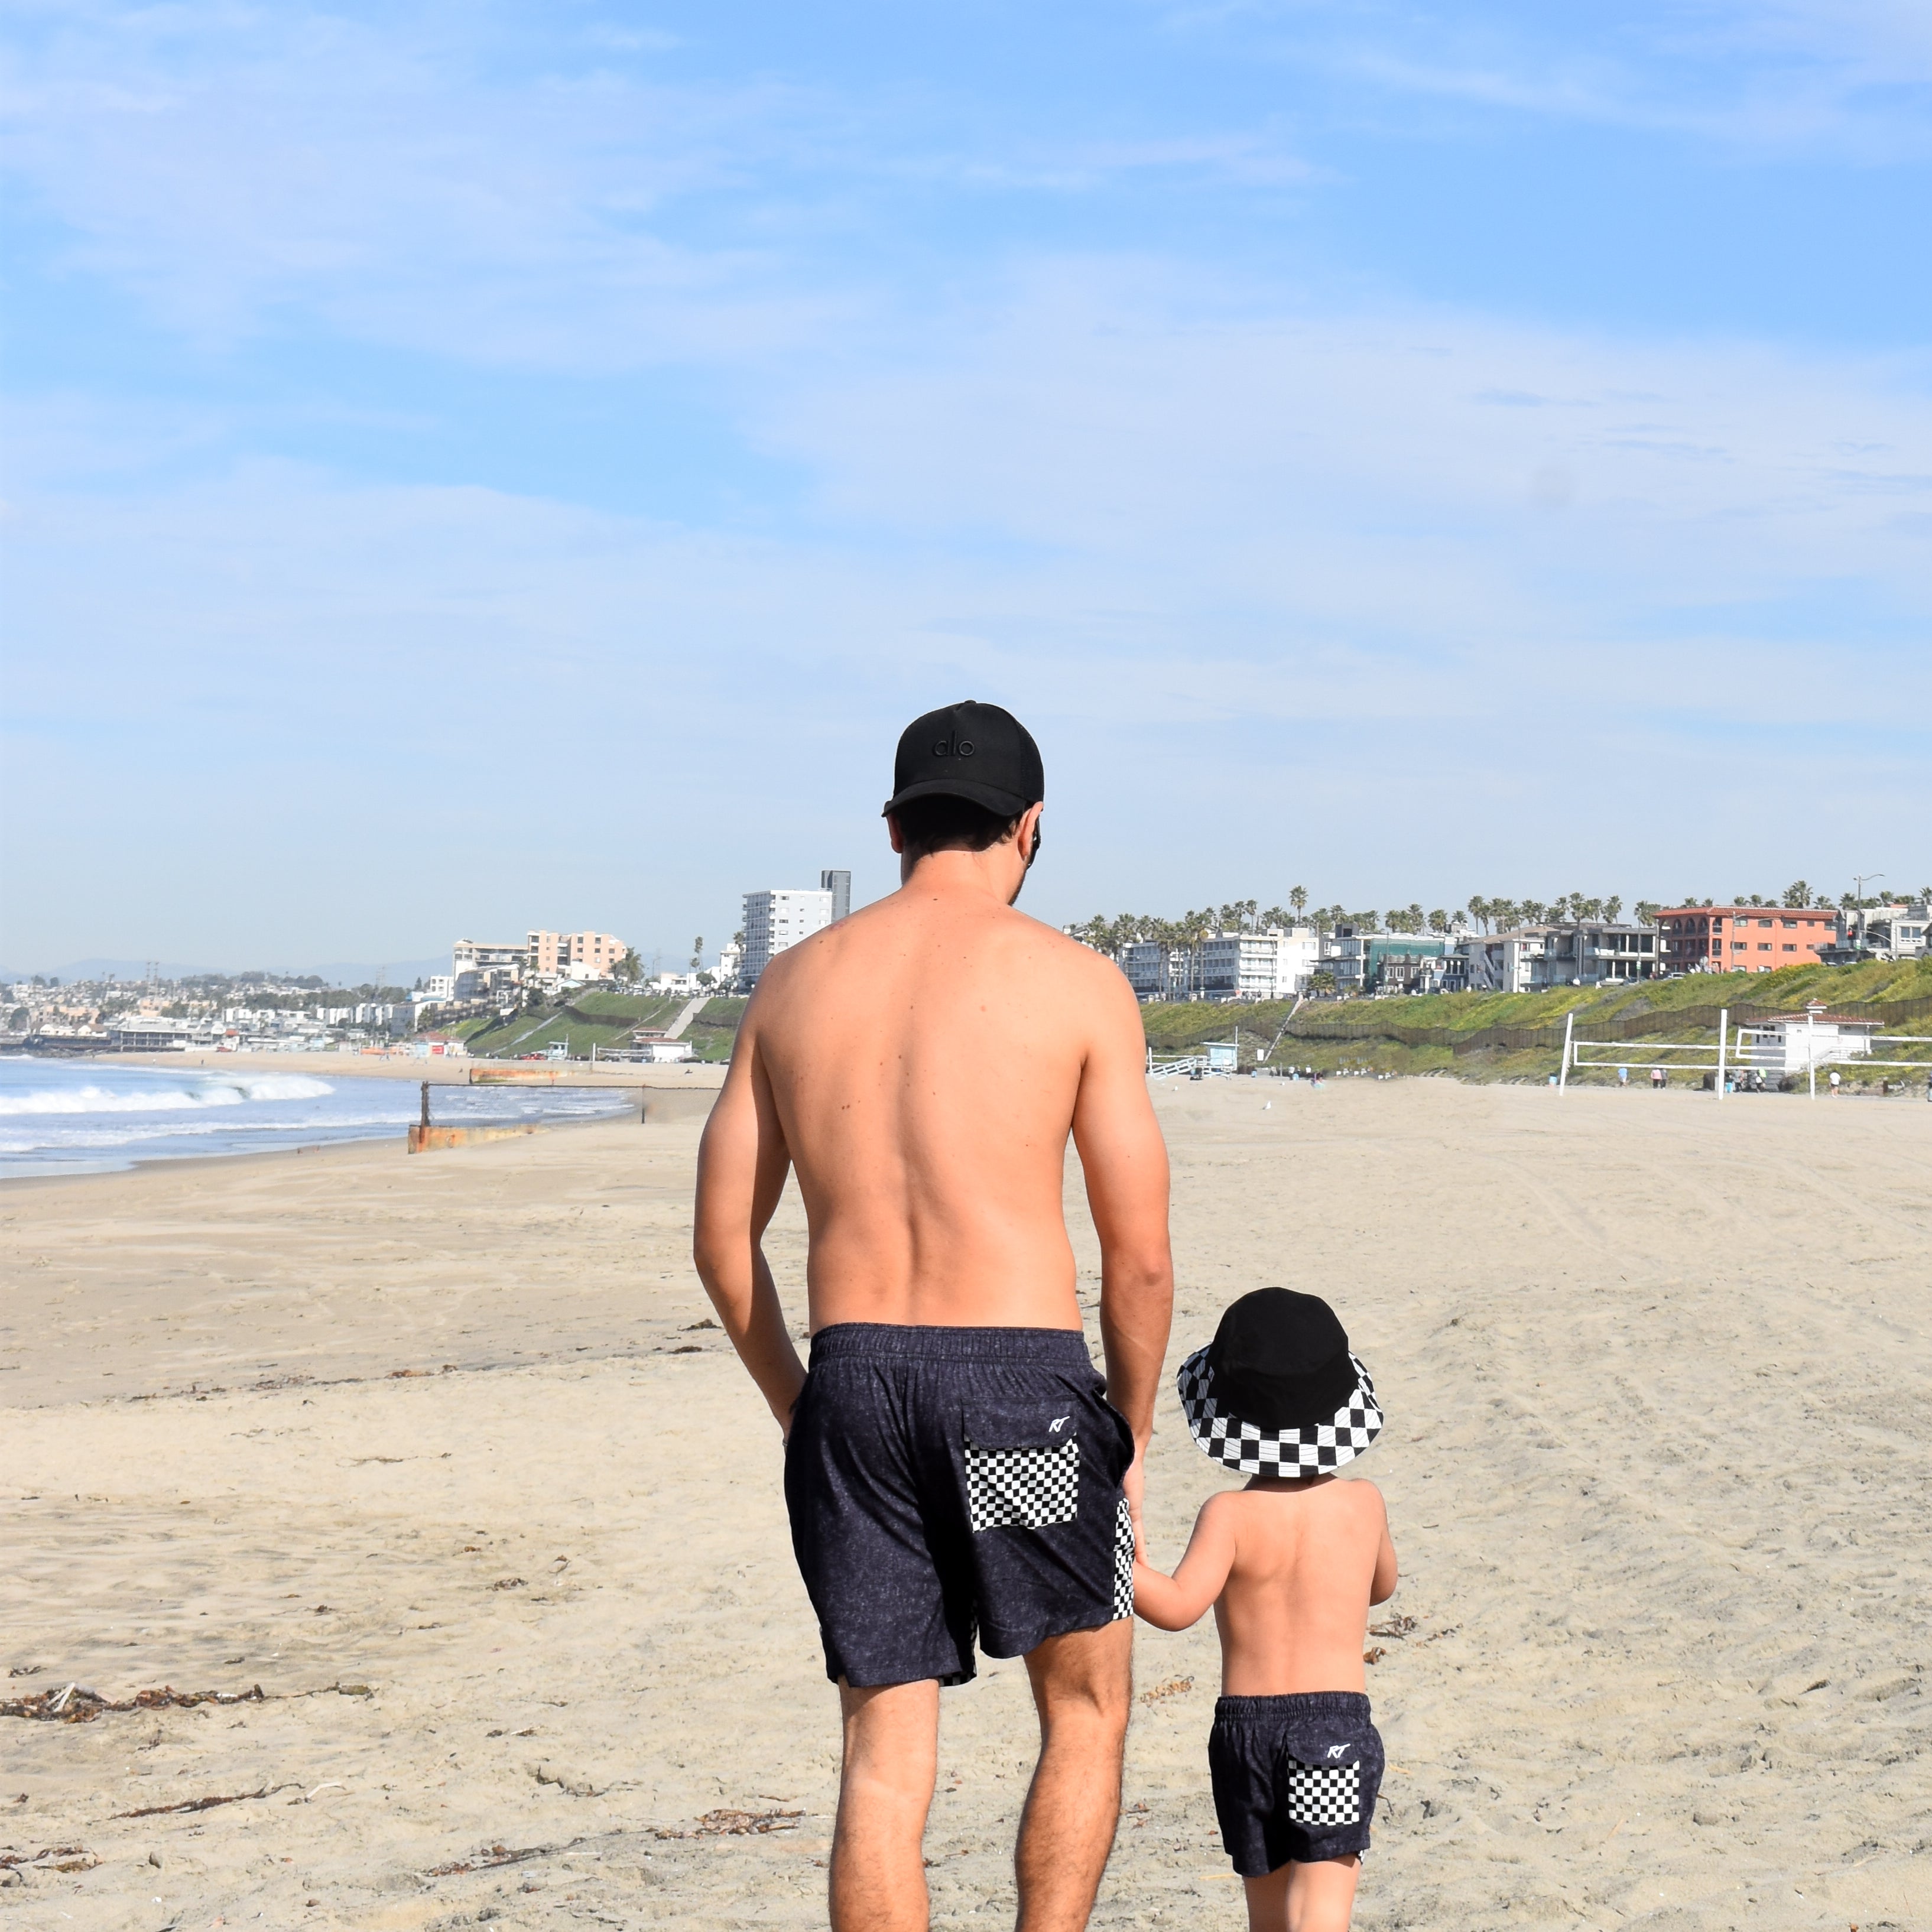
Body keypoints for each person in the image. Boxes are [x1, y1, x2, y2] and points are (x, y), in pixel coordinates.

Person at [694, 700, 1175, 1932]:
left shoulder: (794, 984)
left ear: (895, 825)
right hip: (1019, 1389)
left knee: (882, 1751)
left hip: (854, 1385)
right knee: (1081, 1703)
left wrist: (800, 1401)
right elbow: (1138, 1262)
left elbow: (720, 1240)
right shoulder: (1074, 982)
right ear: (1028, 828)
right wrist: (1119, 1428)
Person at [1132, 1290, 1397, 1932]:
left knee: (1270, 1917)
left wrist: (1121, 1557)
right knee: (1321, 1909)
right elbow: (1381, 1586)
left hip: (1244, 1734)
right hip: (1329, 1725)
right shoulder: (1363, 1504)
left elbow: (1174, 1607)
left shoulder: (1230, 1515)